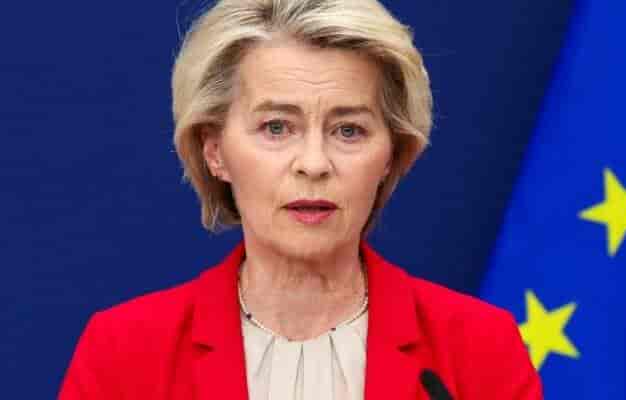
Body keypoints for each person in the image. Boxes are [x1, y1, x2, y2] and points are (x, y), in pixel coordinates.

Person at [58, 0, 543, 399]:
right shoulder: (125, 352)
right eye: (276, 127)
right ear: (215, 151)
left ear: (391, 155)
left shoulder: (479, 347)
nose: (314, 163)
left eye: (348, 130)